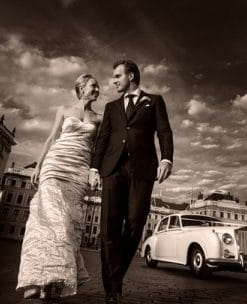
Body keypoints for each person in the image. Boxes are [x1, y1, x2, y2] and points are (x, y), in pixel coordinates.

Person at [89, 60, 173, 304]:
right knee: (108, 229)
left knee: (136, 223)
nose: (114, 81)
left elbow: (164, 131)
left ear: (132, 76)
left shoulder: (154, 101)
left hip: (143, 171)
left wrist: (166, 159)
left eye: (117, 76)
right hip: (112, 170)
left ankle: (115, 277)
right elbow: (102, 140)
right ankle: (112, 288)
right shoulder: (111, 107)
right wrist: (94, 168)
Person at [17, 74, 101, 299]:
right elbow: (52, 137)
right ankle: (38, 278)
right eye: (94, 86)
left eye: (98, 87)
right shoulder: (63, 109)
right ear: (81, 88)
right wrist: (38, 166)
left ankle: (54, 281)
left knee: (66, 223)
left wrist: (96, 172)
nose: (97, 90)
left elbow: (100, 150)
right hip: (56, 164)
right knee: (48, 218)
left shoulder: (99, 118)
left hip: (79, 171)